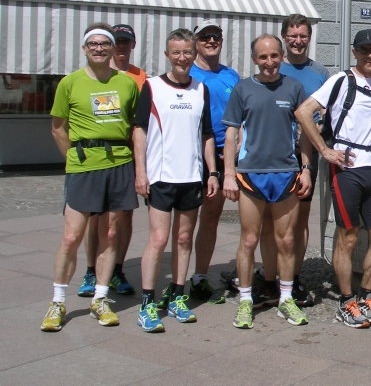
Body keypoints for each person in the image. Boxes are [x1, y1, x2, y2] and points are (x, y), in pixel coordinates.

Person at [42, 23, 139, 332]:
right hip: (84, 167)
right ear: (85, 48)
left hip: (120, 163)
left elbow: (136, 127)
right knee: (72, 236)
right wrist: (73, 156)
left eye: (105, 44)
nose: (99, 48)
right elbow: (58, 127)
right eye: (93, 44)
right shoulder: (70, 83)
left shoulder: (126, 84)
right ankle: (57, 301)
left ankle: (100, 297)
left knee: (111, 234)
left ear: (112, 49)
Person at [295, 29, 371, 329]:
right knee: (348, 238)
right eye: (364, 50)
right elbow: (303, 112)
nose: (370, 56)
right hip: (346, 168)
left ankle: (365, 297)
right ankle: (346, 301)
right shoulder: (340, 80)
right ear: (355, 53)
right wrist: (325, 150)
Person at [222, 34, 312, 329]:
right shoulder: (243, 88)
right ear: (254, 60)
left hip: (286, 173)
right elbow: (231, 134)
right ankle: (246, 300)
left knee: (286, 240)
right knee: (249, 239)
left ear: (282, 56)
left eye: (274, 56)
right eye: (263, 57)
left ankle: (285, 299)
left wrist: (307, 168)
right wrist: (229, 175)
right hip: (251, 175)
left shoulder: (294, 88)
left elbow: (305, 133)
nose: (269, 62)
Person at [133, 29, 219, 333]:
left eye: (187, 52)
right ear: (168, 55)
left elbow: (206, 134)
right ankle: (147, 303)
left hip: (191, 177)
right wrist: (140, 172)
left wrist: (212, 172)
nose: (182, 58)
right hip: (160, 176)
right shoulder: (152, 87)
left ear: (194, 54)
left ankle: (178, 297)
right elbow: (139, 131)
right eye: (176, 52)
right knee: (158, 240)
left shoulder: (201, 89)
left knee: (184, 239)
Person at [262, 13, 331, 307]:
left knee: (300, 219)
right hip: (272, 154)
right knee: (270, 219)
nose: (298, 41)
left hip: (305, 155)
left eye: (303, 36)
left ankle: (294, 276)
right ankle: (269, 276)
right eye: (292, 36)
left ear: (309, 38)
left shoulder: (320, 73)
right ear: (284, 38)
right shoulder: (274, 67)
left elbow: (328, 111)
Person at [78, 23, 146, 299]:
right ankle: (91, 269)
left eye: (125, 42)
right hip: (96, 158)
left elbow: (141, 123)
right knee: (95, 217)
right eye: (116, 41)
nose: (120, 47)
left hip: (127, 156)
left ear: (133, 45)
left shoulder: (140, 78)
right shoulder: (95, 75)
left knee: (123, 216)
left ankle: (117, 269)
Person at [187, 20, 240, 305]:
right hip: (193, 157)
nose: (211, 41)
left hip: (224, 157)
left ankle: (199, 276)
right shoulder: (189, 74)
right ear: (196, 42)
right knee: (185, 222)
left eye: (215, 36)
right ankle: (179, 278)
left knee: (210, 218)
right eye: (205, 37)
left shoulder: (231, 76)